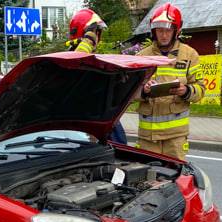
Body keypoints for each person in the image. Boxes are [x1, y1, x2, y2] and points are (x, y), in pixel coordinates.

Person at [136, 3, 205, 160]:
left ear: (176, 31)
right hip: (148, 137)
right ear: (154, 31)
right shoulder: (141, 57)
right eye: (160, 30)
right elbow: (130, 93)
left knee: (175, 179)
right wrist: (143, 91)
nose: (164, 35)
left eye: (168, 30)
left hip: (175, 138)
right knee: (147, 179)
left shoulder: (189, 55)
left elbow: (201, 90)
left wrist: (186, 91)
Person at [66, 9, 127, 144]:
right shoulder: (68, 60)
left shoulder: (94, 60)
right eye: (95, 32)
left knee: (121, 145)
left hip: (102, 120)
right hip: (84, 126)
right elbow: (74, 69)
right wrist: (87, 43)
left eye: (97, 33)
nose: (97, 37)